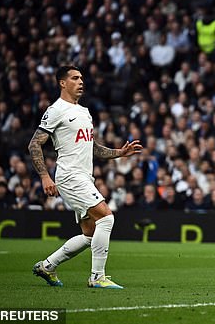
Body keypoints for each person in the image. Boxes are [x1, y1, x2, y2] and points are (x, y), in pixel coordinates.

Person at [29, 65, 143, 289]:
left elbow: (92, 147)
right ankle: (97, 277)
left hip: (84, 176)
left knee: (90, 234)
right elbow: (35, 144)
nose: (81, 81)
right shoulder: (56, 110)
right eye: (74, 78)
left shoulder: (84, 112)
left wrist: (118, 153)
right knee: (106, 218)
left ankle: (48, 266)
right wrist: (44, 177)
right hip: (70, 175)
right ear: (62, 83)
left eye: (81, 78)